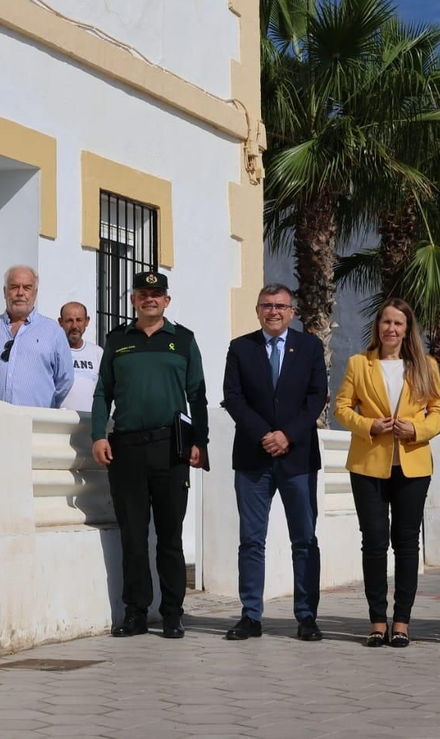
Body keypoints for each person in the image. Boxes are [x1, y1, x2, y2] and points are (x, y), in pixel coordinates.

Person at [90, 271, 208, 639]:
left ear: (167, 301)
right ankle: (135, 613)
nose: (150, 300)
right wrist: (98, 435)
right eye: (143, 294)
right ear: (133, 300)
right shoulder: (117, 341)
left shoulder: (183, 340)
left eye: (156, 294)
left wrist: (199, 442)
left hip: (170, 450)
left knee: (170, 537)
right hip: (125, 449)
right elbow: (102, 393)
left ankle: (173, 613)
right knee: (133, 537)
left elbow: (198, 396)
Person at [333, 298, 440, 647]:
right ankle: (377, 620)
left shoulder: (425, 365)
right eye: (386, 322)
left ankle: (402, 621)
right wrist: (369, 424)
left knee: (407, 543)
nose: (391, 329)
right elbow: (341, 407)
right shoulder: (358, 364)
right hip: (369, 465)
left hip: (413, 465)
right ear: (377, 326)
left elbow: (438, 410)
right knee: (374, 541)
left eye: (398, 323)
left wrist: (418, 430)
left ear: (407, 329)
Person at [221, 283, 329, 642]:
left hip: (297, 458)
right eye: (267, 305)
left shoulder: (310, 347)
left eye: (281, 306)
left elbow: (317, 397)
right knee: (252, 540)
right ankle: (251, 615)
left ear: (292, 312)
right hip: (253, 458)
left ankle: (307, 616)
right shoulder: (241, 348)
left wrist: (288, 435)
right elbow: (233, 398)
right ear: (257, 310)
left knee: (304, 539)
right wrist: (264, 434)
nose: (273, 312)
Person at [0, 265, 73, 408]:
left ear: (35, 293)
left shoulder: (53, 332)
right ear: (5, 292)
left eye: (27, 287)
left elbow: (65, 380)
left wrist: (46, 405)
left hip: (35, 423)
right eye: (14, 287)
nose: (20, 293)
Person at [57, 301, 102, 414]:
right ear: (60, 322)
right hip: (60, 424)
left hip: (89, 423)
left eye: (79, 320)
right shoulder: (53, 352)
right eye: (69, 321)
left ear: (86, 321)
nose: (74, 326)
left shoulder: (97, 352)